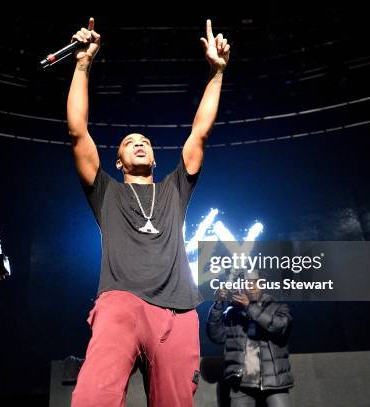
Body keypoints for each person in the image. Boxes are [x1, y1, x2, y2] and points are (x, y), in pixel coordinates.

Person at [66, 17, 230, 407]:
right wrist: (82, 64)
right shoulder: (105, 191)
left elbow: (200, 133)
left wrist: (217, 73)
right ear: (118, 161)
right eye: (129, 142)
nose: (139, 144)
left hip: (177, 310)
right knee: (93, 397)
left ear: (155, 158)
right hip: (120, 303)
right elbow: (77, 131)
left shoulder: (174, 188)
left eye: (146, 142)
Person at [206, 272, 294, 407]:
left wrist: (249, 307)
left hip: (274, 382)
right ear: (242, 286)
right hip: (242, 383)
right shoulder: (232, 312)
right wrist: (218, 304)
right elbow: (216, 336)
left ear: (263, 284)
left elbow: (279, 326)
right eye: (248, 283)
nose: (252, 287)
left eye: (256, 283)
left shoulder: (278, 308)